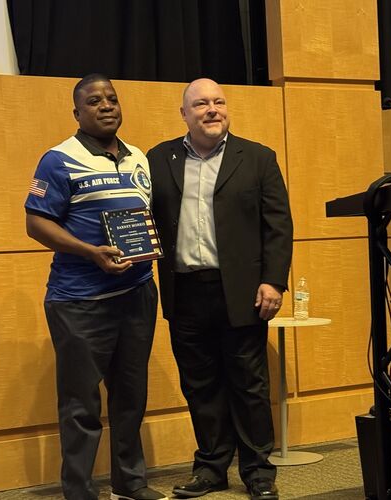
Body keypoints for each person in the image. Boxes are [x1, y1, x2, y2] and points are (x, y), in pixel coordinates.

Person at [147, 78, 293, 500]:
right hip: (185, 290)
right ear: (184, 114)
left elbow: (278, 226)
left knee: (249, 383)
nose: (211, 110)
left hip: (243, 291)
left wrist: (274, 280)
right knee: (199, 383)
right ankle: (211, 467)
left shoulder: (258, 158)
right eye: (200, 104)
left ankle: (258, 472)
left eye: (218, 102)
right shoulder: (160, 158)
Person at [24, 74, 167, 500]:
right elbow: (36, 223)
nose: (106, 106)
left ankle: (130, 482)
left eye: (111, 98)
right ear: (77, 113)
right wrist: (91, 252)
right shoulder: (58, 159)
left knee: (130, 397)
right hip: (79, 302)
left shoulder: (139, 158)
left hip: (137, 295)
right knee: (81, 405)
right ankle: (80, 491)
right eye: (93, 101)